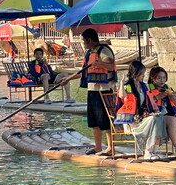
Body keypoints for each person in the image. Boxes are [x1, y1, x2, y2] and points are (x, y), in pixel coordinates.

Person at [60, 28, 116, 156]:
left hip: (104, 90)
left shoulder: (104, 50)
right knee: (94, 120)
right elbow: (83, 72)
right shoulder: (90, 53)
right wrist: (67, 79)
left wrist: (100, 63)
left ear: (89, 40)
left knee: (105, 120)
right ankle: (97, 147)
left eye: (84, 41)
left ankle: (110, 148)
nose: (83, 44)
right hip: (92, 90)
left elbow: (110, 66)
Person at [115, 60, 168, 160]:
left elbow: (150, 102)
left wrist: (153, 112)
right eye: (142, 73)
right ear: (136, 73)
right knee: (152, 120)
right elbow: (121, 95)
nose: (144, 75)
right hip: (132, 122)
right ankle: (148, 152)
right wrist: (121, 82)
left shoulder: (144, 86)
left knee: (159, 117)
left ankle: (153, 151)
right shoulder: (127, 86)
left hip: (143, 118)